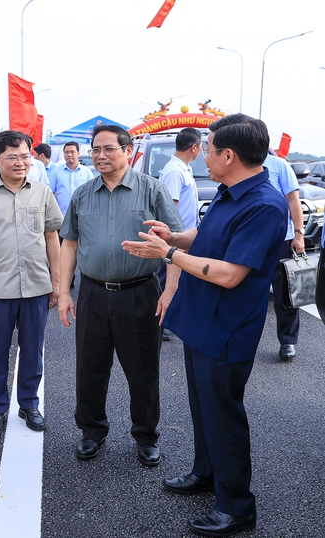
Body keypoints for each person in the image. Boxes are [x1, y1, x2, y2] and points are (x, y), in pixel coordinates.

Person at [122, 113, 287, 536]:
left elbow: (230, 273)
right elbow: (209, 238)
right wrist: (174, 238)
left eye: (210, 150)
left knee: (224, 415)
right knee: (203, 410)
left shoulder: (264, 205)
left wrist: (167, 255)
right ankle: (206, 473)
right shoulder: (230, 193)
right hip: (201, 321)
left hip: (227, 329)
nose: (204, 157)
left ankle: (236, 505)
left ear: (229, 155)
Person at [57, 124, 184, 467]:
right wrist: (64, 292)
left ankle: (146, 436)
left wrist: (170, 289)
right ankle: (92, 432)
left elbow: (173, 241)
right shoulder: (82, 194)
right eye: (95, 150)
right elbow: (69, 243)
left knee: (143, 371)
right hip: (93, 294)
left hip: (139, 293)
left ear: (128, 151)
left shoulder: (152, 190)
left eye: (109, 149)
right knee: (89, 368)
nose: (100, 156)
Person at [0, 129, 62, 437]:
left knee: (33, 351)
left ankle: (29, 404)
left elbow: (52, 238)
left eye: (25, 157)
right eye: (12, 157)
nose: (20, 163)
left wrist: (57, 282)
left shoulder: (42, 193)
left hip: (36, 285)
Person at [156, 127, 202, 341]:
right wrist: (173, 238)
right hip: (176, 236)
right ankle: (161, 321)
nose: (202, 151)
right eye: (202, 147)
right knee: (166, 280)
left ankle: (169, 318)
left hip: (186, 236)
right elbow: (170, 208)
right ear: (194, 147)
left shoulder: (184, 168)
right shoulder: (174, 171)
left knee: (178, 281)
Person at [264, 153, 305, 360]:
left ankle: (287, 341)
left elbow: (293, 200)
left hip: (281, 240)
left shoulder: (278, 165)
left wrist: (299, 234)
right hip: (251, 241)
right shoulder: (239, 163)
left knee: (285, 293)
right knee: (247, 292)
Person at [49, 141, 95, 217]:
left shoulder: (86, 172)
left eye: (72, 152)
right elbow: (50, 193)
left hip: (82, 216)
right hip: (62, 216)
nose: (69, 155)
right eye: (66, 152)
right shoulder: (56, 172)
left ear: (78, 153)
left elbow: (92, 193)